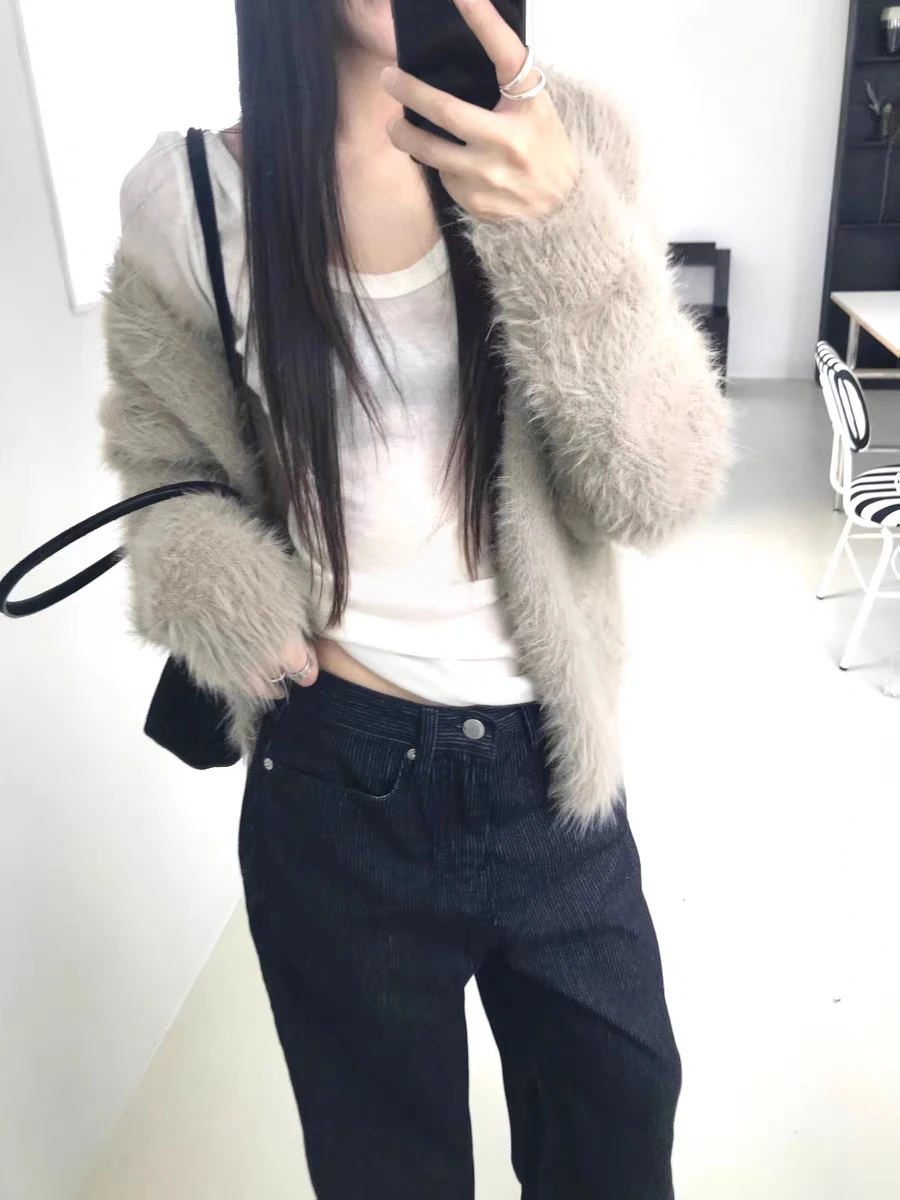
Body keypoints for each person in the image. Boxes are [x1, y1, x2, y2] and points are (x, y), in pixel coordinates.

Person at [100, 0, 731, 1195]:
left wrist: (558, 225)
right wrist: (224, 592)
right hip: (335, 778)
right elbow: (162, 455)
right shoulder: (188, 197)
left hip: (556, 774)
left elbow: (658, 489)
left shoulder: (575, 141)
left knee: (616, 1141)